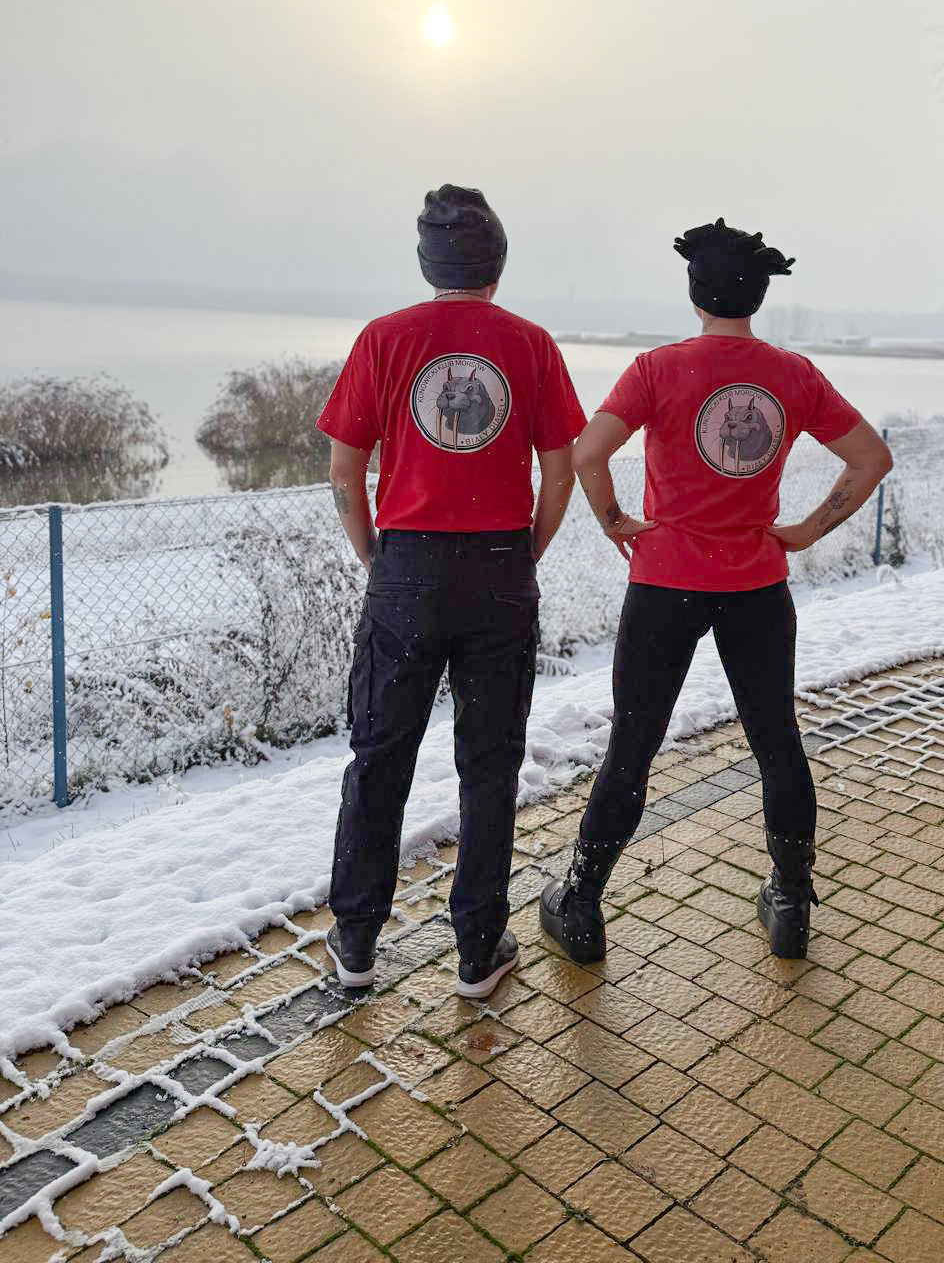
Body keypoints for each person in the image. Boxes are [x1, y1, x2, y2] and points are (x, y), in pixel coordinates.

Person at [541, 219, 892, 965]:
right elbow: (871, 458)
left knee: (633, 746)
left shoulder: (656, 369)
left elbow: (586, 452)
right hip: (757, 587)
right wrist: (805, 531)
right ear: (758, 295)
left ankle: (582, 904)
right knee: (777, 742)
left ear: (695, 293)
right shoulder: (794, 375)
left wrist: (613, 520)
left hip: (663, 584)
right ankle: (790, 902)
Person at [318, 184, 586, 998]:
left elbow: (345, 471)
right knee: (490, 763)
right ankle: (478, 947)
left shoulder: (384, 338)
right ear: (496, 267)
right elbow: (561, 470)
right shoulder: (531, 344)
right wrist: (524, 552)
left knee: (379, 754)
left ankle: (356, 941)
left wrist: (377, 555)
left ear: (428, 264)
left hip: (406, 568)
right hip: (499, 567)